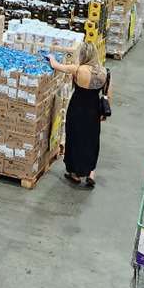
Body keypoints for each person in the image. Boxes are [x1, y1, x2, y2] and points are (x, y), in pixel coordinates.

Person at [48, 42, 109, 187]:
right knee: (91, 140)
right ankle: (91, 172)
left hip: (77, 108)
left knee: (75, 138)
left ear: (83, 55)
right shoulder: (104, 72)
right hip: (94, 110)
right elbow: (107, 95)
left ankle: (74, 174)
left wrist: (51, 57)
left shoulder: (78, 69)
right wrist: (102, 113)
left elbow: (56, 66)